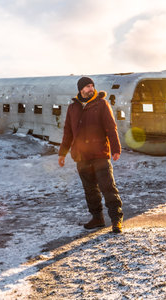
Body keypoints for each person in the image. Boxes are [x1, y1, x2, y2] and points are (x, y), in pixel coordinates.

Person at [58, 77, 123, 233]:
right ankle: (97, 218)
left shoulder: (101, 104)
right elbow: (68, 131)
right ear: (81, 89)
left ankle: (116, 220)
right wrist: (62, 153)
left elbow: (111, 128)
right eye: (87, 86)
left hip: (100, 153)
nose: (91, 88)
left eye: (92, 85)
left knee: (108, 187)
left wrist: (116, 149)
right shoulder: (73, 107)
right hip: (81, 156)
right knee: (90, 190)